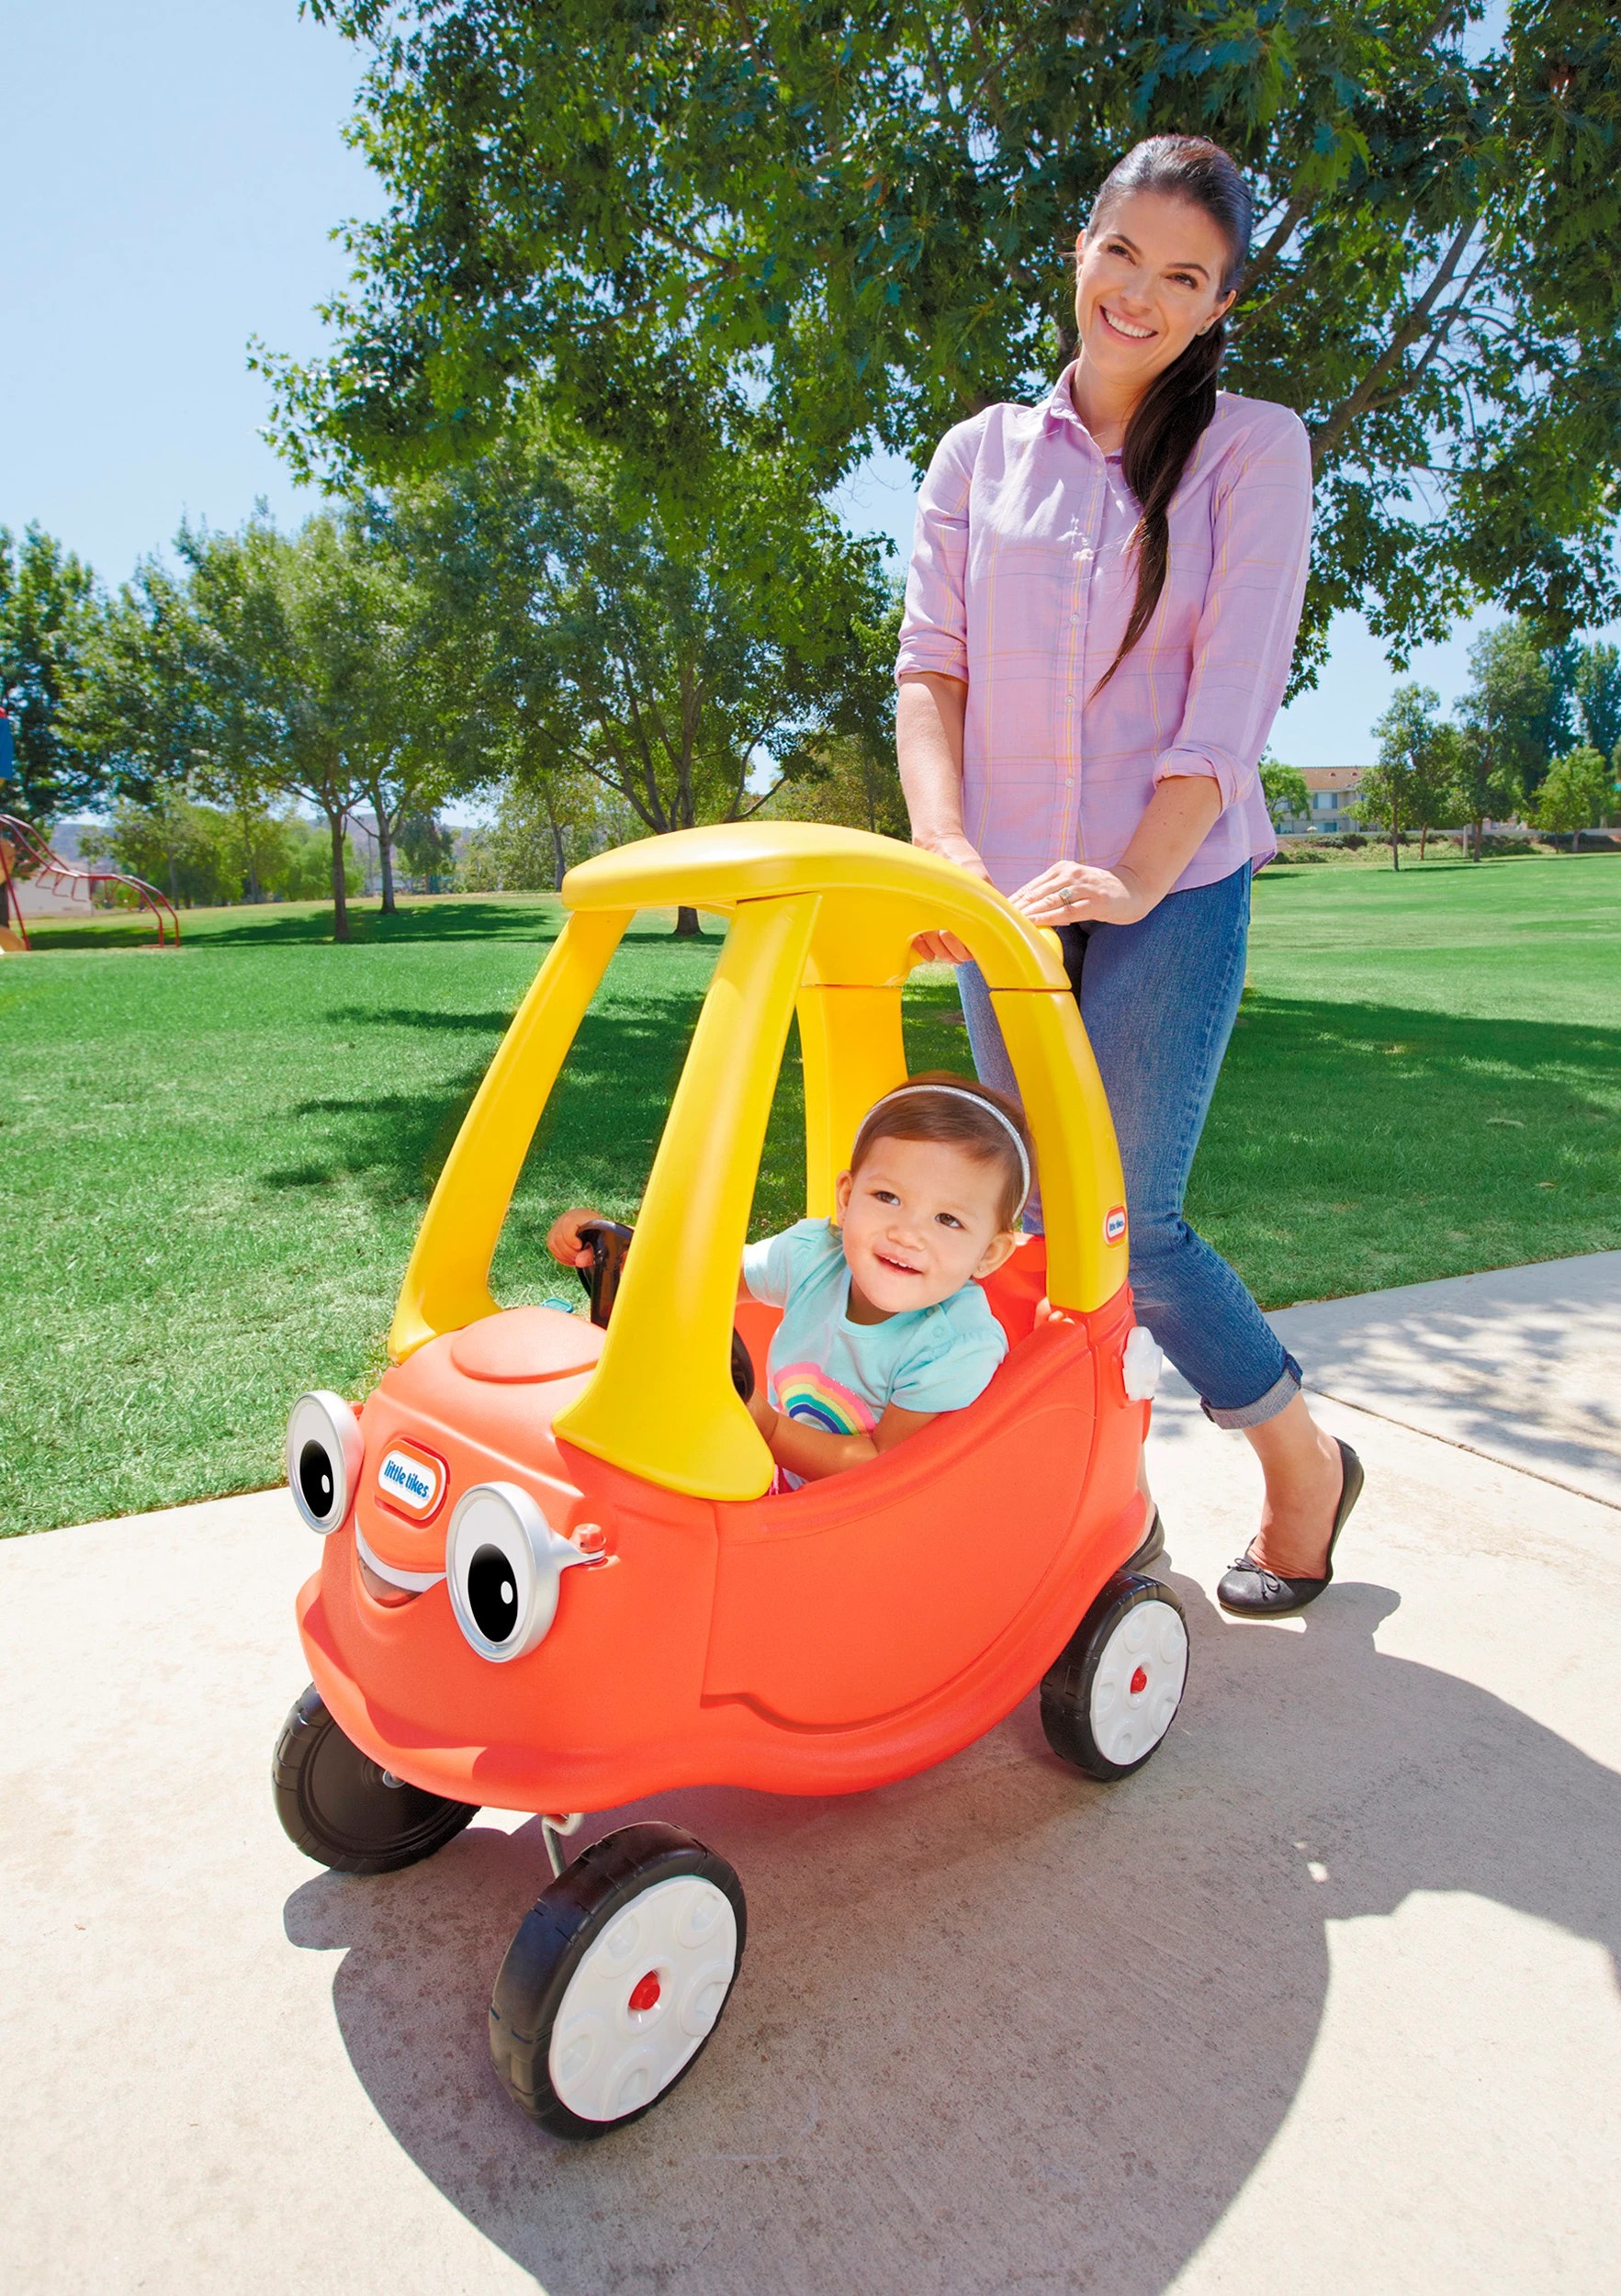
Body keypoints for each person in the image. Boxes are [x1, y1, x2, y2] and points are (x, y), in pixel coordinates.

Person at [895, 133, 1362, 1616]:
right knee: (1032, 1228)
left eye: (1184, 276)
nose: (1140, 296)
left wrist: (1142, 876)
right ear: (1078, 247)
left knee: (1131, 1226)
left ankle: (1303, 1471)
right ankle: (1095, 1508)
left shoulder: (1254, 450)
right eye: (1121, 254)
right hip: (1007, 911)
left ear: (1221, 303)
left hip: (1175, 885)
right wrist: (950, 862)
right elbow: (930, 674)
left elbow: (1230, 697)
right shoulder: (977, 457)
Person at [546, 1075, 1030, 1488]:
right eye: (888, 1197)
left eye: (948, 1220)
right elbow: (702, 1281)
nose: (907, 1234)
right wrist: (622, 1251)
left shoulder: (955, 1346)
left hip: (869, 1528)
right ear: (847, 1198)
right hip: (779, 1484)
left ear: (988, 1253)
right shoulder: (814, 1256)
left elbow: (885, 1469)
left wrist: (768, 1427)